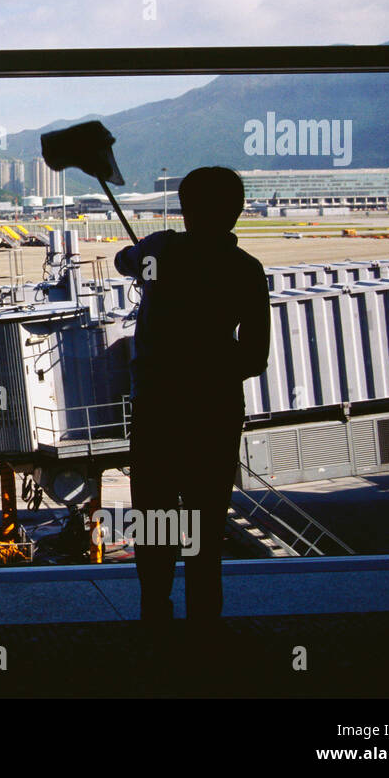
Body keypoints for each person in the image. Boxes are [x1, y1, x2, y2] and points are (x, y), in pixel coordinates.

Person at [114, 166, 270, 634]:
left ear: (184, 208)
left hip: (159, 408)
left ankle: (154, 615)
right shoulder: (246, 270)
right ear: (237, 210)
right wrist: (209, 369)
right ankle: (205, 626)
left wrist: (149, 258)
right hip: (215, 412)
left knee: (155, 517)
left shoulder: (162, 252)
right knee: (206, 524)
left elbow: (124, 261)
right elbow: (255, 358)